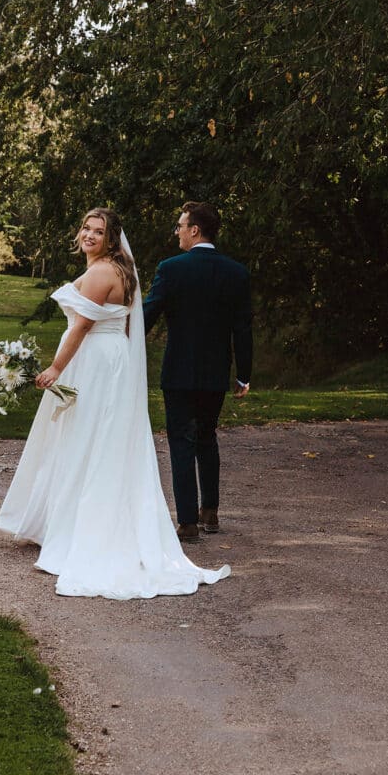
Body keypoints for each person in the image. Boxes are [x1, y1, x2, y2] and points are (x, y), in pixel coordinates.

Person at [0, 207, 230, 599]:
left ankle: (80, 531)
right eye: (86, 227)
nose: (89, 234)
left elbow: (82, 325)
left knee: (87, 439)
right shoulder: (119, 270)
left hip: (97, 360)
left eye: (98, 231)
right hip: (108, 358)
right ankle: (68, 522)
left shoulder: (103, 272)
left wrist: (55, 367)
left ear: (110, 238)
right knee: (96, 439)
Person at [143, 201, 252, 543]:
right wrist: (243, 375)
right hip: (215, 373)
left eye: (180, 225)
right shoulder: (236, 273)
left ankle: (188, 522)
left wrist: (119, 338)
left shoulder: (171, 269)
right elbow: (243, 329)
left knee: (180, 442)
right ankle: (211, 512)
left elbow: (148, 315)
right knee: (207, 436)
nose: (176, 231)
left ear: (194, 230)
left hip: (178, 372)